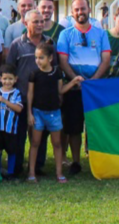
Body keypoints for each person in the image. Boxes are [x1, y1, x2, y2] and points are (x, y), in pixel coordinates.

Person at [56, 0, 111, 176]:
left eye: (83, 8)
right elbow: (63, 60)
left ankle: (99, 159)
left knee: (97, 125)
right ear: (72, 13)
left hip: (96, 88)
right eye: (76, 9)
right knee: (74, 127)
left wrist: (94, 80)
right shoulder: (65, 34)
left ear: (89, 10)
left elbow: (105, 59)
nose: (80, 12)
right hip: (74, 87)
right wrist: (74, 79)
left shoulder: (101, 33)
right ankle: (76, 162)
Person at [27, 43, 81, 183]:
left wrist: (74, 81)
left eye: (41, 58)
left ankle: (59, 173)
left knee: (57, 143)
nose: (38, 61)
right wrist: (29, 113)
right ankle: (31, 173)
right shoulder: (34, 74)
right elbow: (30, 94)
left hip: (54, 113)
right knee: (35, 142)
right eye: (36, 57)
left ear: (50, 58)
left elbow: (60, 91)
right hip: (38, 112)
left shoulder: (57, 73)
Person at [6, 10, 45, 176]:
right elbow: (9, 69)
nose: (40, 25)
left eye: (42, 22)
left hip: (42, 97)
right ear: (26, 24)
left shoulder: (49, 43)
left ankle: (38, 166)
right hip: (21, 97)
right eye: (35, 22)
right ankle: (17, 166)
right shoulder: (16, 44)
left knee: (40, 135)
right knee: (19, 134)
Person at [0, 64, 24, 178]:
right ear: (0, 79)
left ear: (15, 79)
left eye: (10, 79)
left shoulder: (16, 93)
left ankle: (10, 173)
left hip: (11, 128)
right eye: (5, 79)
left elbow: (19, 108)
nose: (7, 82)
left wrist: (4, 101)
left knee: (12, 150)